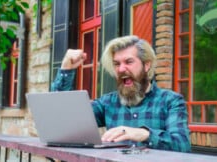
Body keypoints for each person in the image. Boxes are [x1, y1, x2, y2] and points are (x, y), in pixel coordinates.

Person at [51, 35, 191, 152]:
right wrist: (66, 68)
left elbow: (182, 146)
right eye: (117, 64)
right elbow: (63, 117)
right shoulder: (107, 103)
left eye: (129, 62)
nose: (121, 69)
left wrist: (143, 134)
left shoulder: (171, 101)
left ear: (146, 65)